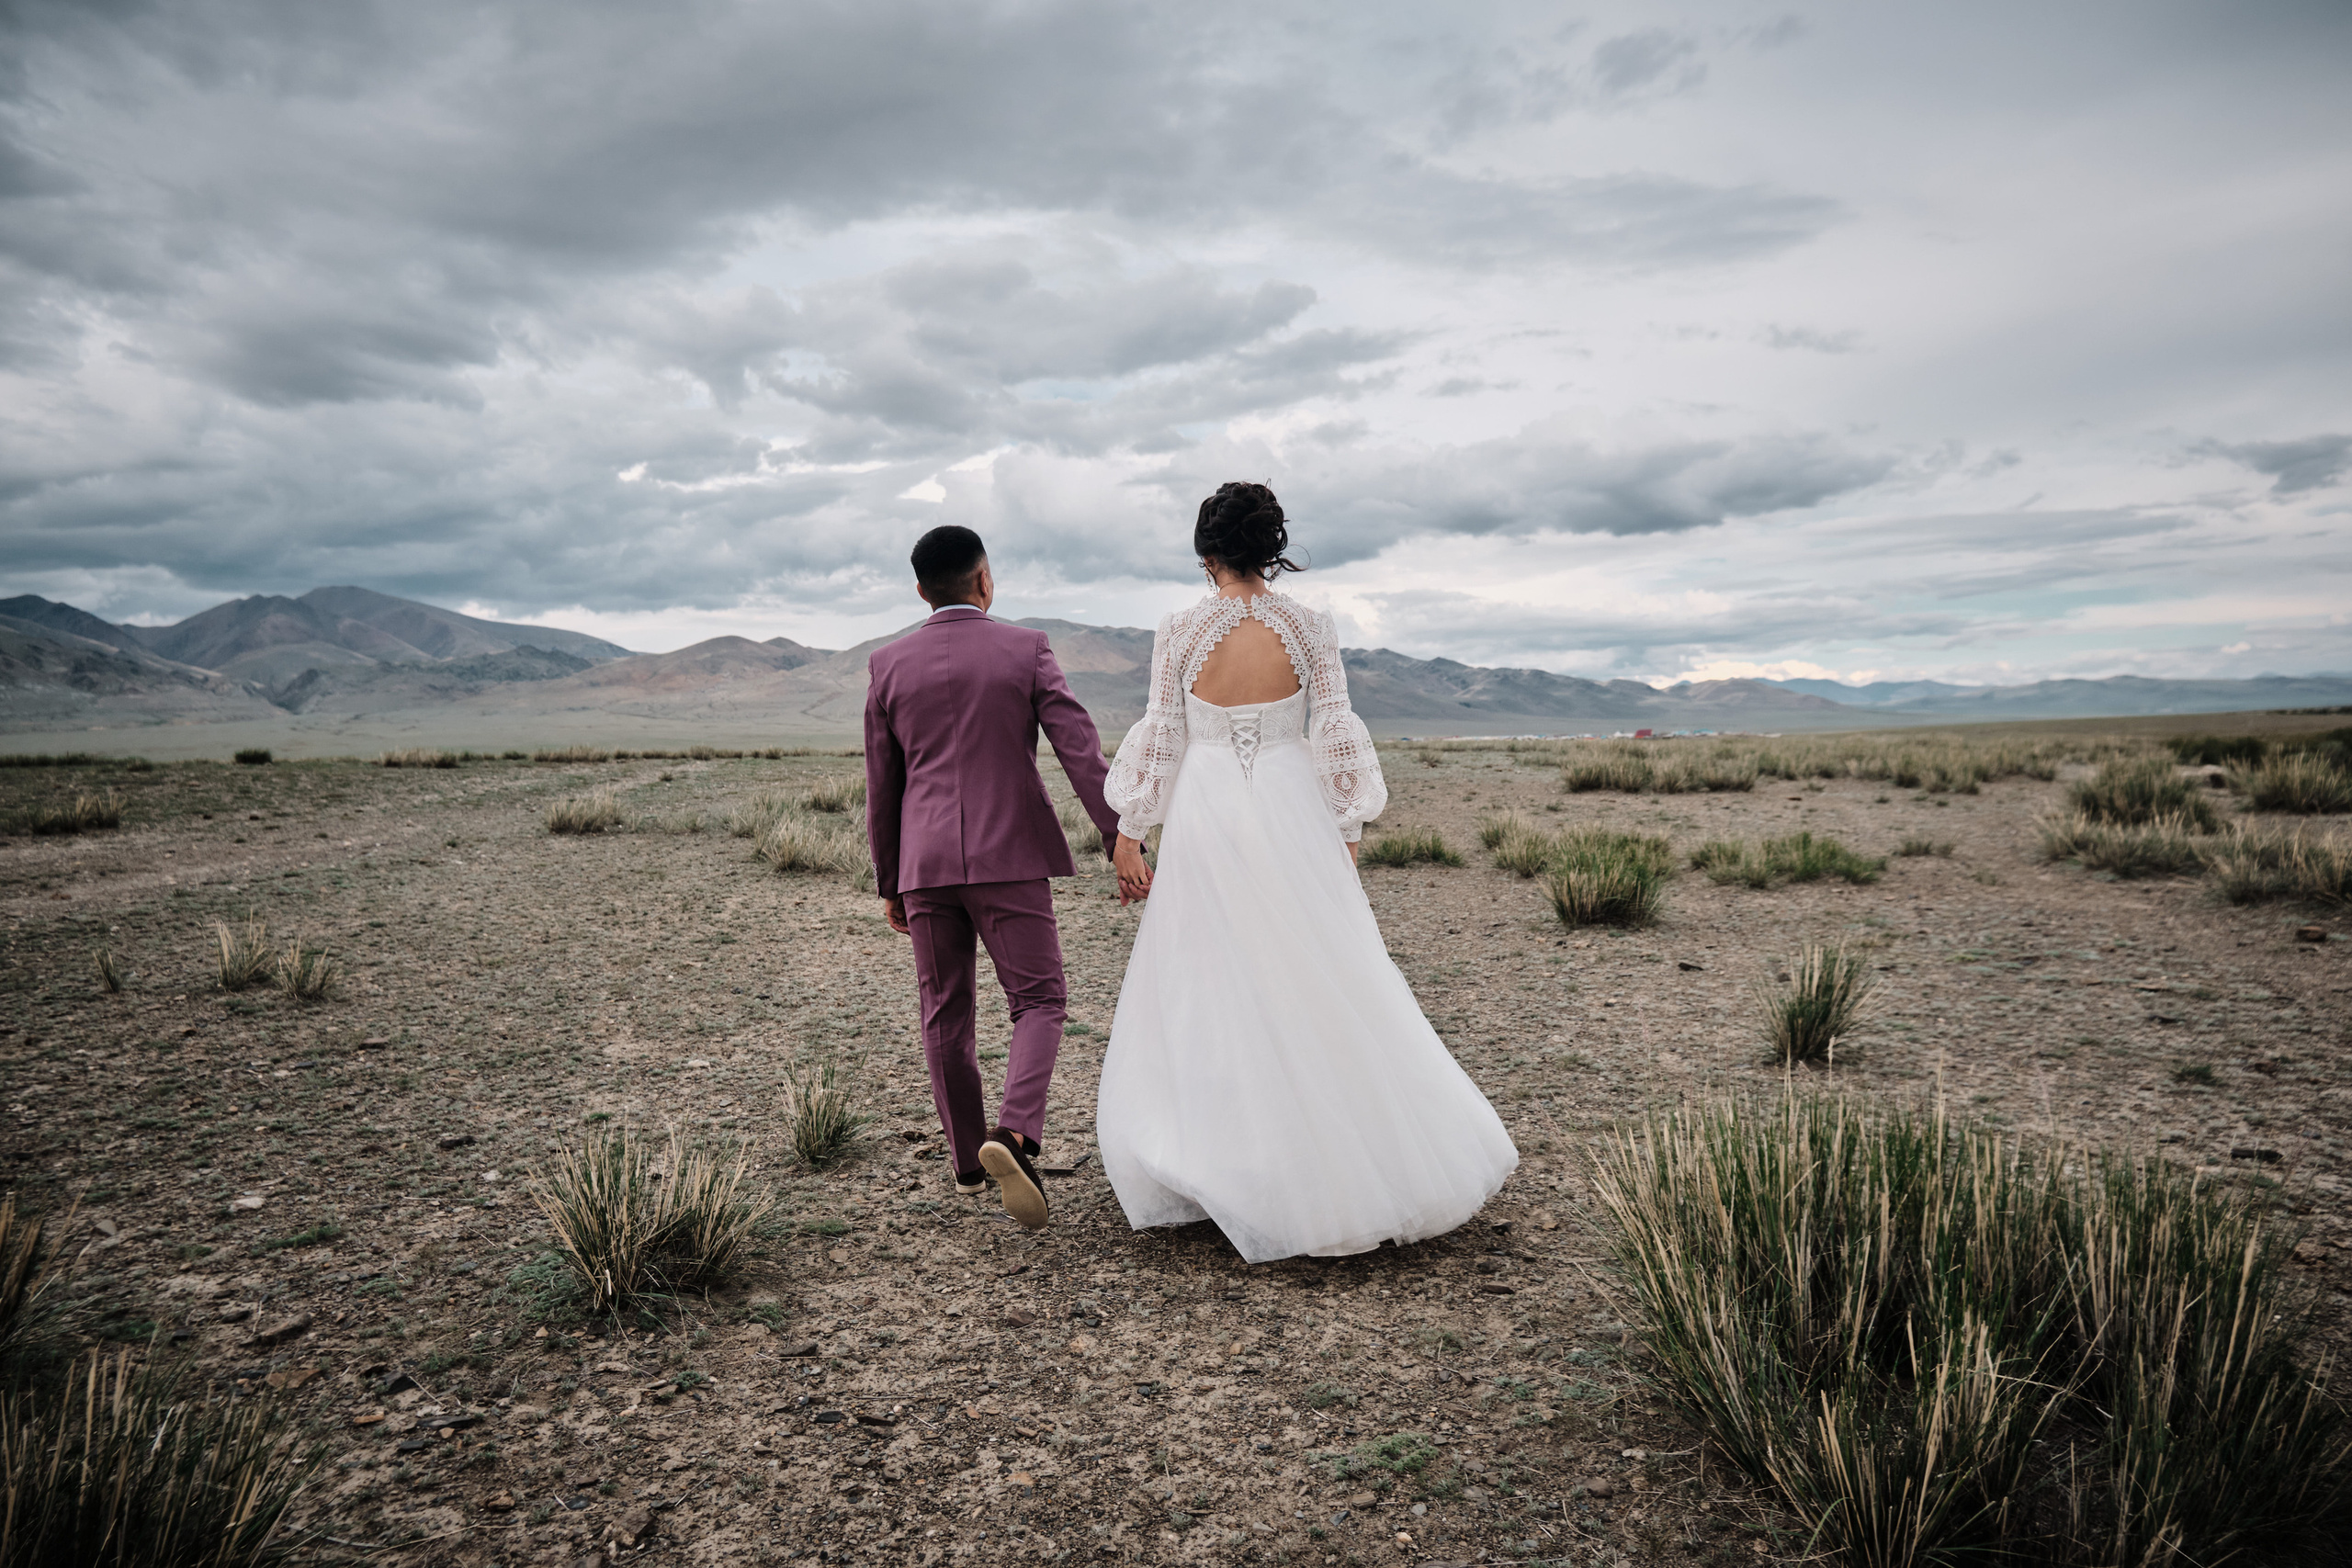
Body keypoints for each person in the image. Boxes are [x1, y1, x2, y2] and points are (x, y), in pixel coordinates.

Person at [1097, 482, 1519, 1262]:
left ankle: (1228, 1161)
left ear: (1206, 554)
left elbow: (1163, 730)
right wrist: (1346, 825)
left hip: (1209, 811)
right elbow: (1333, 728)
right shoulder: (1311, 626)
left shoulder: (1180, 630)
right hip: (1295, 810)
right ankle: (1343, 1158)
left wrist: (1130, 830)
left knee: (1211, 974)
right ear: (1270, 550)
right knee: (1321, 969)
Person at [865, 525, 1124, 1230]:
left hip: (924, 866)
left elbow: (881, 786)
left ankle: (968, 1162)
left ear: (921, 590)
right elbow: (1079, 745)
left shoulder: (886, 665)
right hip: (1009, 856)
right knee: (1038, 998)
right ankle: (1012, 1133)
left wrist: (890, 878)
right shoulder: (1026, 648)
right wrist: (1116, 831)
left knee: (945, 1010)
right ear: (985, 580)